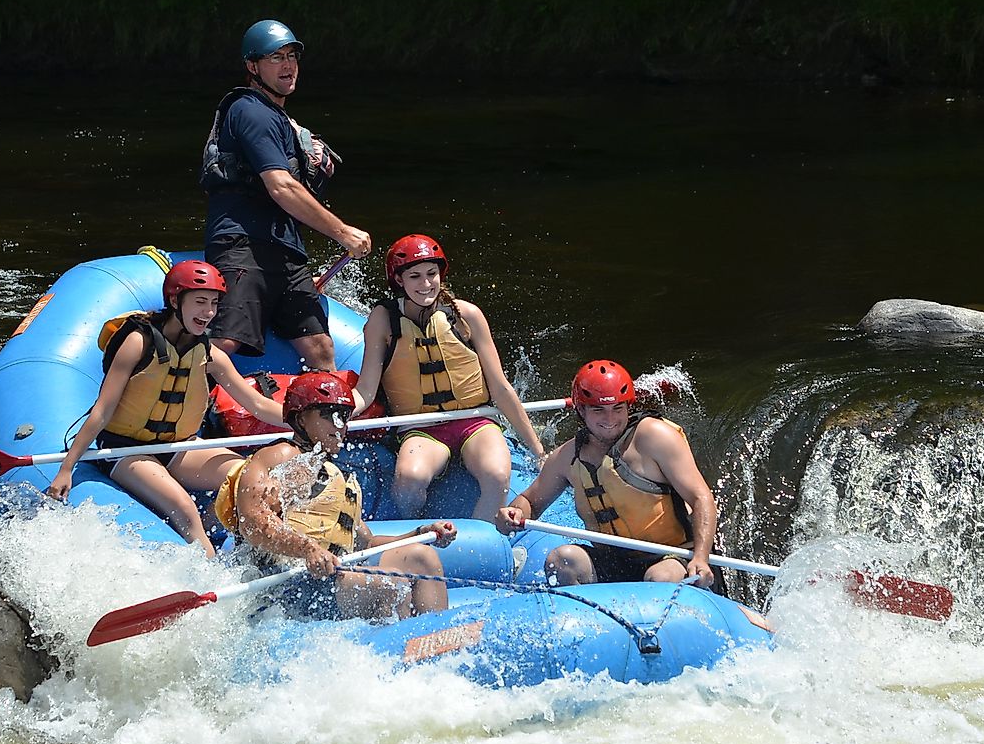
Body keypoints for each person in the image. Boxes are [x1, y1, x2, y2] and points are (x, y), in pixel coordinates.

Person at [47, 260, 284, 554]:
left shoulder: (208, 353)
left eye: (213, 303)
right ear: (175, 300)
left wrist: (300, 420)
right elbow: (102, 410)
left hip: (177, 446)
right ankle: (209, 575)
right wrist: (67, 468)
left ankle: (217, 529)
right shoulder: (138, 342)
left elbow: (258, 405)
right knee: (184, 509)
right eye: (199, 302)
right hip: (125, 449)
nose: (208, 313)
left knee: (251, 481)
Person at [214, 371, 453, 621]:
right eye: (330, 416)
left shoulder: (333, 475)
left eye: (344, 417)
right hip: (285, 586)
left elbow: (365, 544)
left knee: (421, 557)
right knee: (390, 585)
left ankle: (434, 638)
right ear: (302, 419)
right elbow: (254, 523)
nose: (340, 426)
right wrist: (308, 550)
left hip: (329, 577)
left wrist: (421, 534)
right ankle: (394, 649)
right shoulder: (280, 456)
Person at [201, 19, 371, 370]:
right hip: (242, 245)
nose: (288, 65)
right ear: (252, 66)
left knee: (321, 348)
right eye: (276, 57)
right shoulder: (250, 111)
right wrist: (343, 232)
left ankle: (323, 423)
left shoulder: (281, 120)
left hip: (285, 253)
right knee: (224, 340)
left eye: (292, 56)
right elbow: (281, 186)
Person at [349, 234, 547, 522]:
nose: (426, 284)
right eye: (415, 276)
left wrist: (538, 450)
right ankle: (415, 537)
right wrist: (339, 412)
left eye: (432, 274)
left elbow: (500, 388)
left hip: (475, 421)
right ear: (399, 281)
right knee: (408, 479)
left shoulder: (467, 315)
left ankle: (485, 542)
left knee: (496, 474)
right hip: (420, 429)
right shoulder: (383, 320)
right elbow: (366, 390)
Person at [495, 360, 717, 588]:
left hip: (673, 557)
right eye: (599, 409)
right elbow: (530, 501)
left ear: (628, 406)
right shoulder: (566, 456)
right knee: (561, 561)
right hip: (615, 563)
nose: (610, 420)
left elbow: (701, 497)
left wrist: (701, 557)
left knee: (660, 577)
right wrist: (514, 513)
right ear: (581, 410)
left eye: (617, 409)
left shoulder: (654, 436)